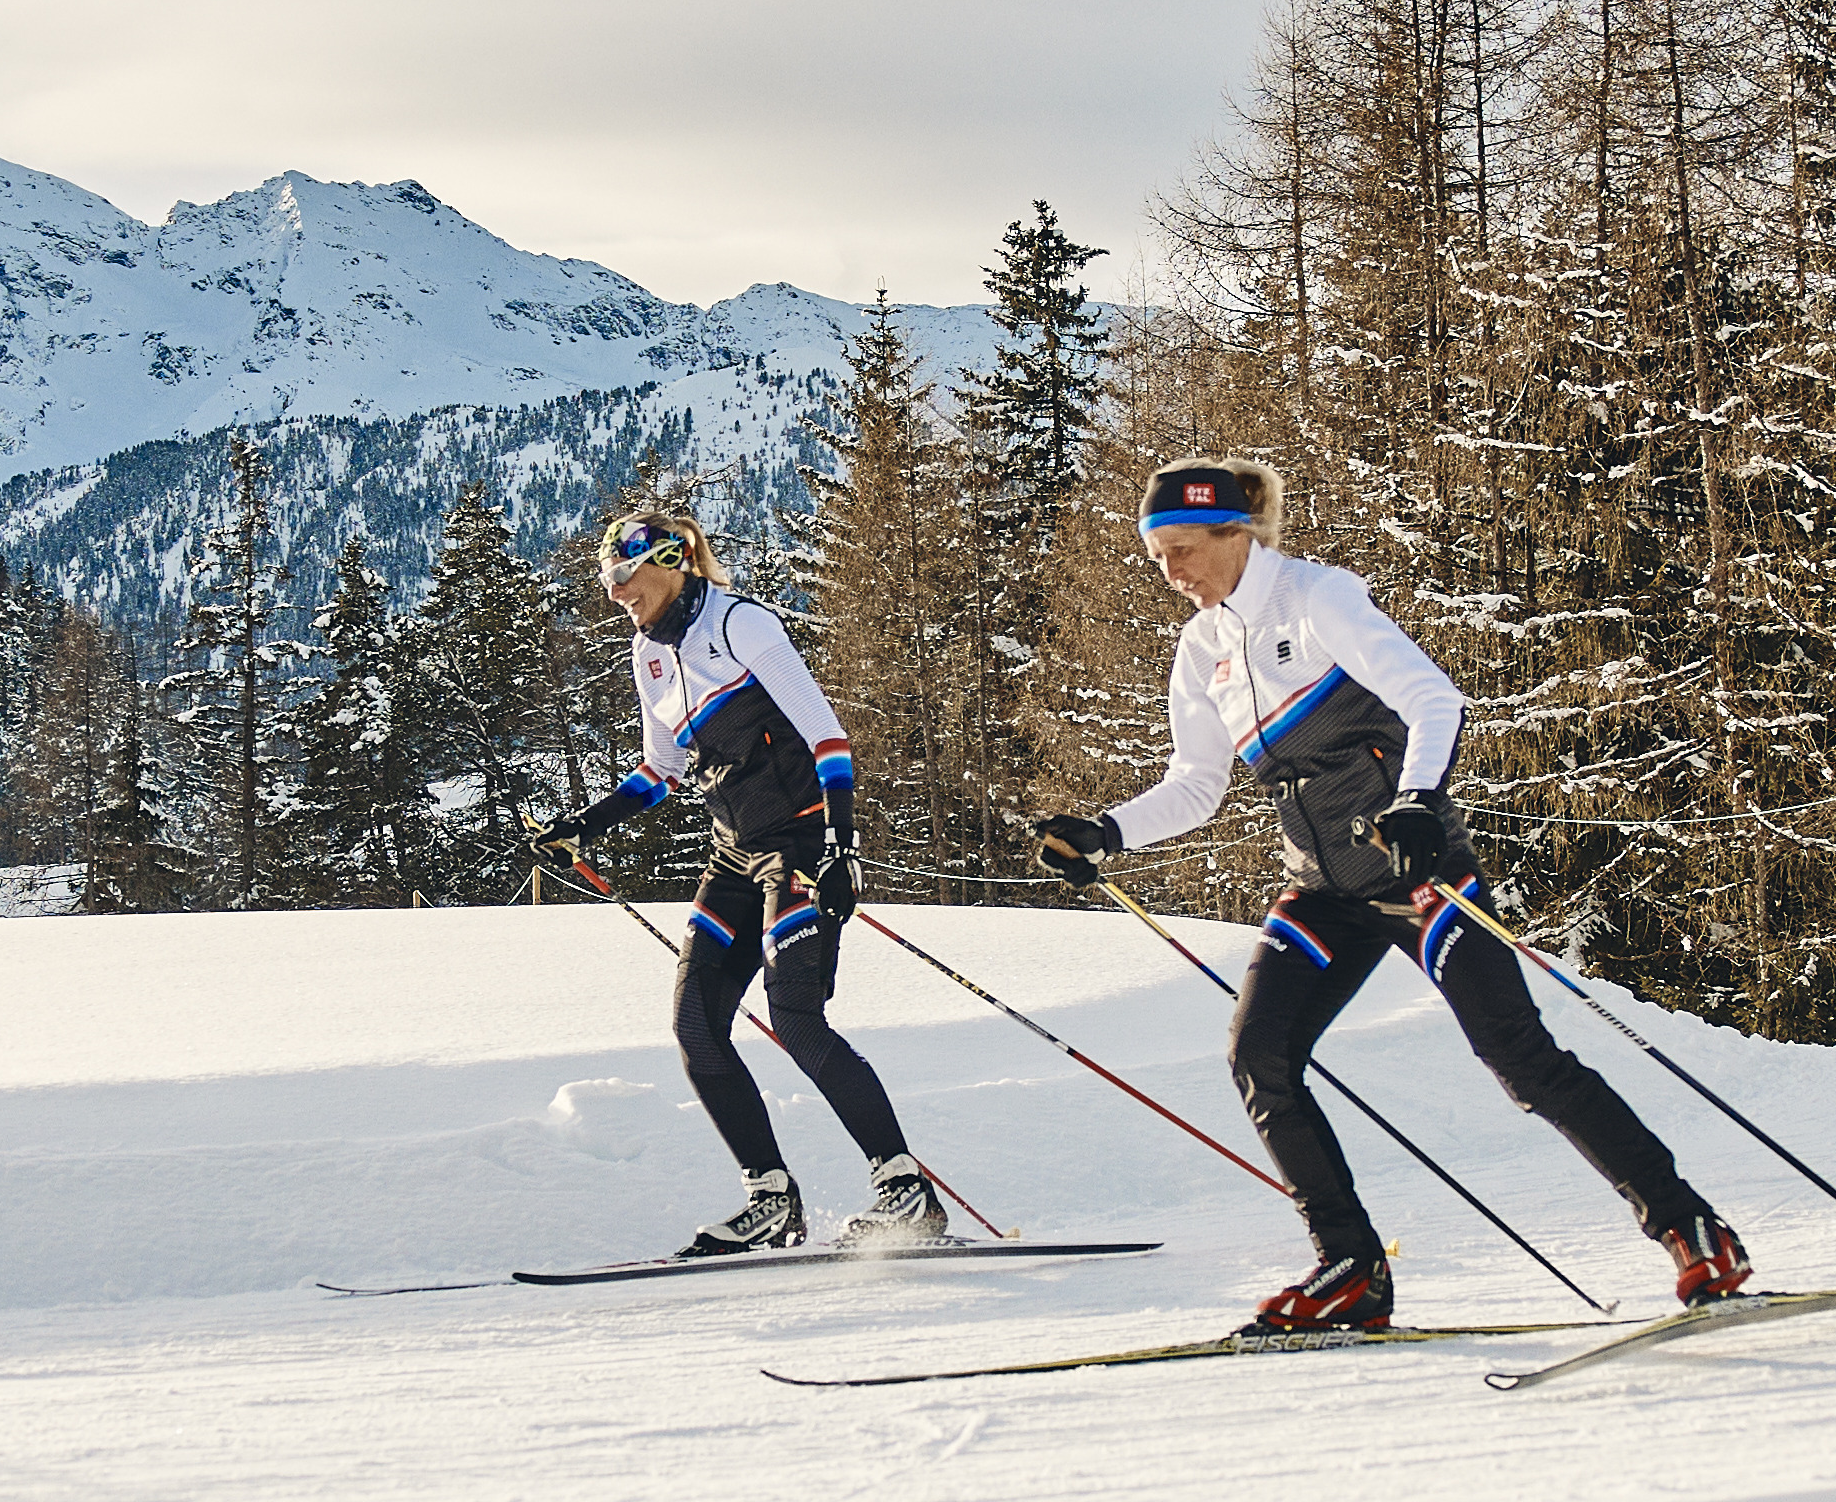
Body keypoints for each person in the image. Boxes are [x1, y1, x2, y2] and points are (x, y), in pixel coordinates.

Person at [1025, 459, 1747, 1337]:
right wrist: (1106, 831)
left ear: (1234, 534)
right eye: (1158, 556)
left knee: (1521, 1061)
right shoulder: (1204, 647)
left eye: (1181, 550)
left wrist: (1414, 799)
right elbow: (1195, 784)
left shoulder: (1317, 600)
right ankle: (1350, 1269)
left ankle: (1691, 1228)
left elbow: (1432, 699)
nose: (1170, 572)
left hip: (1418, 874)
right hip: (1323, 892)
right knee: (1261, 1056)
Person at [538, 503, 955, 1258]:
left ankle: (905, 1191)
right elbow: (661, 769)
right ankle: (770, 1199)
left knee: (795, 1017)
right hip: (734, 853)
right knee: (695, 1025)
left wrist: (839, 847)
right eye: (607, 578)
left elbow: (828, 736)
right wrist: (586, 824)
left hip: (798, 841)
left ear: (671, 561)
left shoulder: (740, 626)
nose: (615, 592)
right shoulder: (650, 653)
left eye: (626, 574)